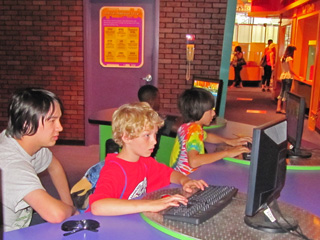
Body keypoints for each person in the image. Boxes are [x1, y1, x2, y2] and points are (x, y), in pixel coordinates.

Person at [88, 102, 208, 216]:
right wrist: (150, 205)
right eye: (147, 135)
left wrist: (185, 181)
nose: (154, 141)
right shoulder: (114, 170)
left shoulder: (145, 162)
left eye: (155, 134)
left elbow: (169, 173)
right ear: (126, 137)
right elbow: (97, 206)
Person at [0, 88, 77, 232]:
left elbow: (54, 165)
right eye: (52, 120)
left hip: (21, 226)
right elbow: (55, 214)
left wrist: (68, 203)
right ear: (26, 123)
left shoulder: (28, 143)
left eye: (59, 120)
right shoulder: (10, 163)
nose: (60, 127)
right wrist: (71, 210)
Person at [169, 88, 251, 175]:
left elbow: (207, 136)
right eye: (210, 110)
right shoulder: (194, 131)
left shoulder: (187, 126)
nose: (214, 113)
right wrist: (227, 153)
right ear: (198, 111)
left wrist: (229, 141)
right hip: (188, 179)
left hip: (180, 176)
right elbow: (193, 161)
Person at [276, 45, 303, 114]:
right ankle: (284, 109)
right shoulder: (289, 59)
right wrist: (298, 76)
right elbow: (291, 70)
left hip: (283, 75)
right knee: (286, 92)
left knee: (282, 91)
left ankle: (278, 107)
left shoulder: (282, 58)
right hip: (288, 76)